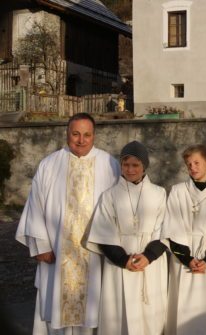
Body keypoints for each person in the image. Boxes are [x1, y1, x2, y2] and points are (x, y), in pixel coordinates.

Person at [15, 113, 120, 335]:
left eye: (87, 135)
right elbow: (35, 206)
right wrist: (41, 246)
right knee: (55, 307)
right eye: (76, 134)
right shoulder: (50, 164)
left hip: (95, 253)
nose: (81, 140)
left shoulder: (109, 164)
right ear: (67, 134)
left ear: (94, 136)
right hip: (56, 252)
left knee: (95, 308)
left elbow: (118, 206)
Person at [84, 141, 169, 335]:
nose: (130, 170)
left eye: (135, 165)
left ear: (144, 166)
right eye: (126, 164)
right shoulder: (109, 196)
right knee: (119, 315)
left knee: (150, 314)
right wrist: (124, 260)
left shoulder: (159, 193)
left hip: (151, 263)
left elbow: (164, 229)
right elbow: (104, 232)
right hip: (120, 263)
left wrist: (148, 256)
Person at [164, 144, 206, 335]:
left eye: (197, 162)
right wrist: (187, 258)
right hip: (183, 257)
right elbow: (171, 226)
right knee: (182, 310)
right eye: (189, 164)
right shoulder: (178, 191)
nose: (192, 167)